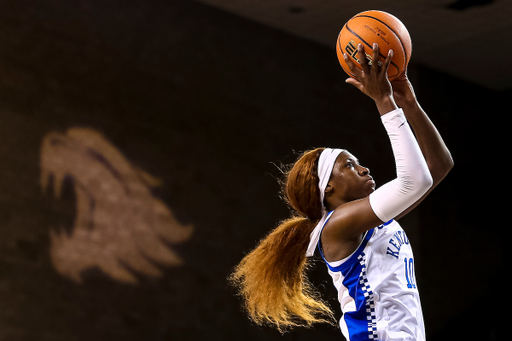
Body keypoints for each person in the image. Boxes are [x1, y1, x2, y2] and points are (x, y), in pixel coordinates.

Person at [229, 43, 453, 340]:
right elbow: (415, 182)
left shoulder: (370, 220)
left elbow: (438, 167)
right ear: (328, 186)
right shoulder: (337, 225)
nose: (364, 169)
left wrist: (408, 103)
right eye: (349, 165)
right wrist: (384, 100)